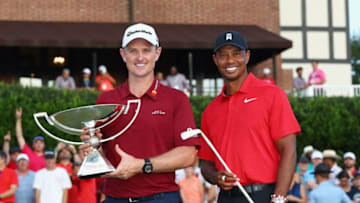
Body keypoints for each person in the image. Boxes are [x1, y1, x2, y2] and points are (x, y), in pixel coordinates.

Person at [80, 23, 199, 202]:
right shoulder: (105, 100)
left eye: (146, 50)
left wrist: (143, 165)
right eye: (133, 51)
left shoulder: (176, 99)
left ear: (157, 53)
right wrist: (91, 150)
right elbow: (101, 154)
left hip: (162, 197)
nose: (140, 57)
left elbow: (188, 154)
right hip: (115, 197)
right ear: (123, 54)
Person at [198, 30, 300, 203]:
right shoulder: (210, 110)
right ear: (216, 60)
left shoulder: (272, 95)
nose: (230, 60)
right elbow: (206, 164)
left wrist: (279, 198)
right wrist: (216, 177)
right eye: (223, 55)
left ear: (247, 56)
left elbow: (288, 150)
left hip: (264, 195)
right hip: (226, 198)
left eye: (236, 53)